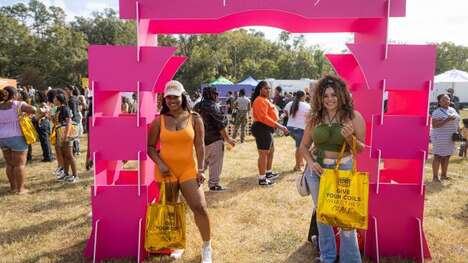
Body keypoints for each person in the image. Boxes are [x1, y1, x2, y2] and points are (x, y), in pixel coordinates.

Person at [299, 75, 366, 263]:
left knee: (345, 219)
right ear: (320, 97)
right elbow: (303, 147)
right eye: (326, 95)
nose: (330, 99)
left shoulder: (353, 116)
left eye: (333, 95)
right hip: (317, 172)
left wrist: (350, 138)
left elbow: (361, 149)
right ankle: (327, 257)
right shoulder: (315, 117)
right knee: (323, 216)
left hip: (342, 169)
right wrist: (311, 163)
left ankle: (350, 260)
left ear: (342, 95)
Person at [147, 80, 213, 263]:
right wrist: (160, 164)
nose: (171, 100)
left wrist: (201, 168)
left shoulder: (194, 118)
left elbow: (199, 145)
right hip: (166, 171)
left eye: (175, 96)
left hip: (188, 170)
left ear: (182, 96)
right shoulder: (158, 121)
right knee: (171, 210)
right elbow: (150, 147)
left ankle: (207, 246)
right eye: (168, 97)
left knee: (200, 207)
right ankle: (177, 244)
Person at [194, 86, 236, 192]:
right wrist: (228, 140)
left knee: (201, 164)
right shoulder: (213, 106)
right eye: (216, 94)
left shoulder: (197, 106)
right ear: (212, 95)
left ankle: (194, 184)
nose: (217, 96)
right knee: (215, 163)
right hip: (214, 140)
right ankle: (214, 185)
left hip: (200, 141)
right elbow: (220, 125)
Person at [251, 81, 289, 186]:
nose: (268, 90)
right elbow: (264, 117)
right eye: (265, 88)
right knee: (263, 154)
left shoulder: (265, 100)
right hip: (261, 128)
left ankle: (268, 173)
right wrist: (280, 126)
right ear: (260, 89)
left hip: (267, 128)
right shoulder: (259, 100)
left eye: (269, 88)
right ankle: (262, 179)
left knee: (270, 151)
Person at [0, 86, 37, 194]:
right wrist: (24, 113)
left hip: (2, 137)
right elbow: (33, 109)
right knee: (19, 164)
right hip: (17, 136)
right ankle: (20, 189)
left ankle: (13, 187)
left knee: (9, 164)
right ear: (14, 94)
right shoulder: (18, 104)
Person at [431, 94, 460, 182]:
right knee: (438, 156)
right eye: (443, 100)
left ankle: (444, 175)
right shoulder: (437, 112)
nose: (446, 101)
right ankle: (435, 177)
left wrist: (458, 131)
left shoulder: (452, 109)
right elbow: (435, 125)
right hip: (440, 137)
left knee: (447, 156)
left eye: (448, 99)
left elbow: (457, 121)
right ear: (439, 102)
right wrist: (447, 120)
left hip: (450, 137)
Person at [53, 92, 78, 183]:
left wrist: (66, 136)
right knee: (64, 155)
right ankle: (66, 174)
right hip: (60, 134)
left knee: (70, 155)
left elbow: (69, 122)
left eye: (55, 99)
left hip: (67, 134)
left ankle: (75, 176)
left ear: (59, 100)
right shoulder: (58, 109)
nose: (53, 100)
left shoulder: (65, 109)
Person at [283, 90, 310, 171]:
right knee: (300, 148)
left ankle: (299, 164)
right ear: (303, 96)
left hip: (290, 128)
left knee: (300, 147)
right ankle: (298, 166)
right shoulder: (307, 105)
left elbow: (285, 112)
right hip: (300, 128)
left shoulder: (290, 103)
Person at [34, 91, 53, 162]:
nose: (36, 97)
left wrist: (38, 118)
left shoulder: (43, 104)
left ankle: (48, 157)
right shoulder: (41, 104)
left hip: (43, 123)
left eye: (37, 95)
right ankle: (48, 155)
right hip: (42, 123)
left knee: (45, 141)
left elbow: (46, 113)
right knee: (44, 140)